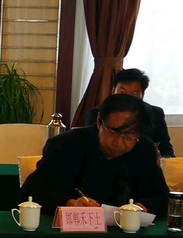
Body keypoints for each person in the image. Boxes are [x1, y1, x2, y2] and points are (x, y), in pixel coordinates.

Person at [23, 93, 170, 216]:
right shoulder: (64, 145)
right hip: (72, 233)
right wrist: (70, 204)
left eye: (129, 137)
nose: (119, 142)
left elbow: (162, 197)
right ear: (100, 121)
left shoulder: (144, 149)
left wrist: (141, 207)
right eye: (114, 132)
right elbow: (32, 192)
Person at [85, 68, 174, 157]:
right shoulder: (97, 113)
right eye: (122, 92)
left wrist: (159, 160)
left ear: (142, 95)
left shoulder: (156, 113)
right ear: (113, 91)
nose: (126, 98)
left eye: (133, 94)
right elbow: (91, 148)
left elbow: (166, 149)